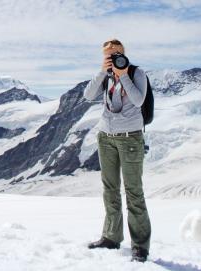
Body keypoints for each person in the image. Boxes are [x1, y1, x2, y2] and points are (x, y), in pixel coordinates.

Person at [83, 39, 151, 262]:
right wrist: (103, 72)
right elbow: (88, 95)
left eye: (115, 54)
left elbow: (139, 99)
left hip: (130, 137)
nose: (112, 58)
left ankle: (140, 246)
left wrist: (122, 74)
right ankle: (111, 237)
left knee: (133, 192)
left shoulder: (136, 73)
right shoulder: (105, 75)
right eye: (108, 55)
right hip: (106, 137)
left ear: (123, 53)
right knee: (110, 189)